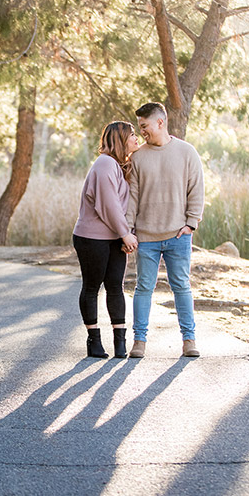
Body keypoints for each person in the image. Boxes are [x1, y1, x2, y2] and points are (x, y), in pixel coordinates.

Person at [125, 101, 204, 358]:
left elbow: (196, 190)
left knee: (181, 286)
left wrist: (191, 223)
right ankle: (139, 341)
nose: (142, 132)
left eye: (145, 126)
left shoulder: (187, 152)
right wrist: (129, 230)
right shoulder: (137, 157)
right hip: (146, 237)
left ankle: (189, 340)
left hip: (177, 235)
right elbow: (132, 197)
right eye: (140, 127)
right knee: (143, 287)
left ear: (160, 122)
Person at [73, 121, 140, 359]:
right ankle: (94, 340)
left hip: (115, 237)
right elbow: (108, 205)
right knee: (92, 287)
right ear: (120, 139)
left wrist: (127, 232)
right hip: (92, 237)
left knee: (115, 287)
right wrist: (125, 234)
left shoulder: (122, 166)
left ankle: (120, 342)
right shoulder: (104, 164)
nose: (136, 137)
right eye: (132, 134)